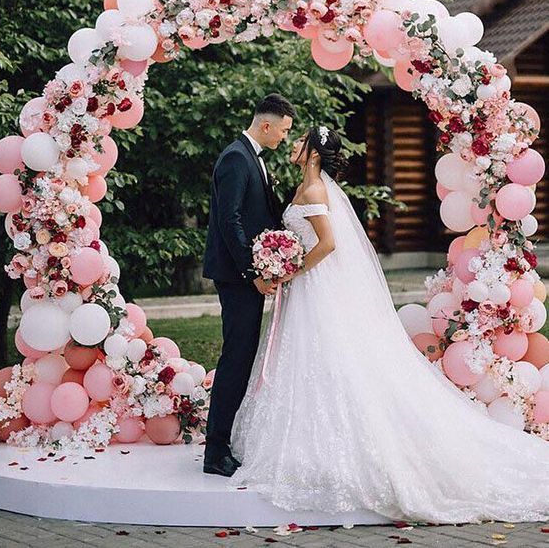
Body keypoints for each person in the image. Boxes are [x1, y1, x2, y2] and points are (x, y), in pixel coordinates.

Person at [228, 126, 549, 524]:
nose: (293, 146)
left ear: (312, 153)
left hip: (312, 284)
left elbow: (327, 244)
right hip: (308, 289)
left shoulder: (313, 192)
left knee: (324, 356)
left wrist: (293, 269)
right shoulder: (306, 188)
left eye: (300, 142)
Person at [202, 93, 296, 477]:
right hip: (237, 278)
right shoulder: (237, 158)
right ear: (267, 125)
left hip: (246, 275)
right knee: (235, 360)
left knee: (241, 357)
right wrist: (252, 272)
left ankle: (221, 443)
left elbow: (261, 213)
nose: (284, 139)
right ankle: (215, 451)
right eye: (284, 131)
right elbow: (230, 221)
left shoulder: (251, 157)